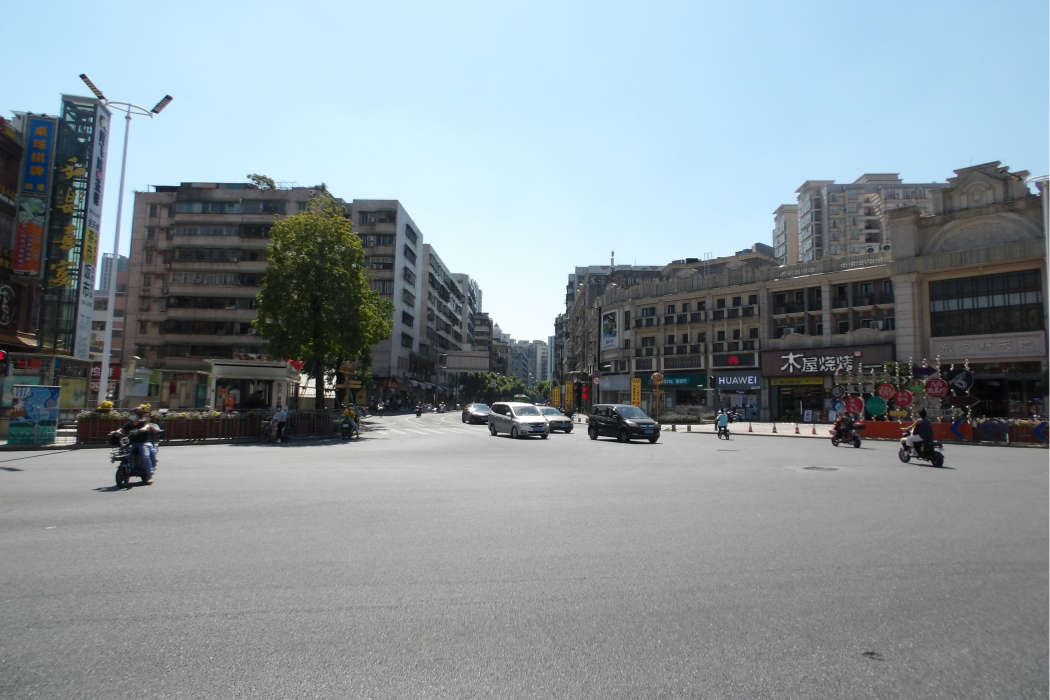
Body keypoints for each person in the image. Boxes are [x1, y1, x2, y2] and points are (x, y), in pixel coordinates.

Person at [111, 407, 157, 484]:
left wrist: (143, 429)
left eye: (133, 415)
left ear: (139, 416)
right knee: (125, 452)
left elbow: (147, 426)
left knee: (145, 456)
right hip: (133, 443)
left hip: (144, 443)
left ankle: (149, 475)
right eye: (131, 414)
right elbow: (122, 430)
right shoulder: (129, 424)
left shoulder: (143, 423)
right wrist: (116, 432)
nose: (132, 416)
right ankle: (127, 468)